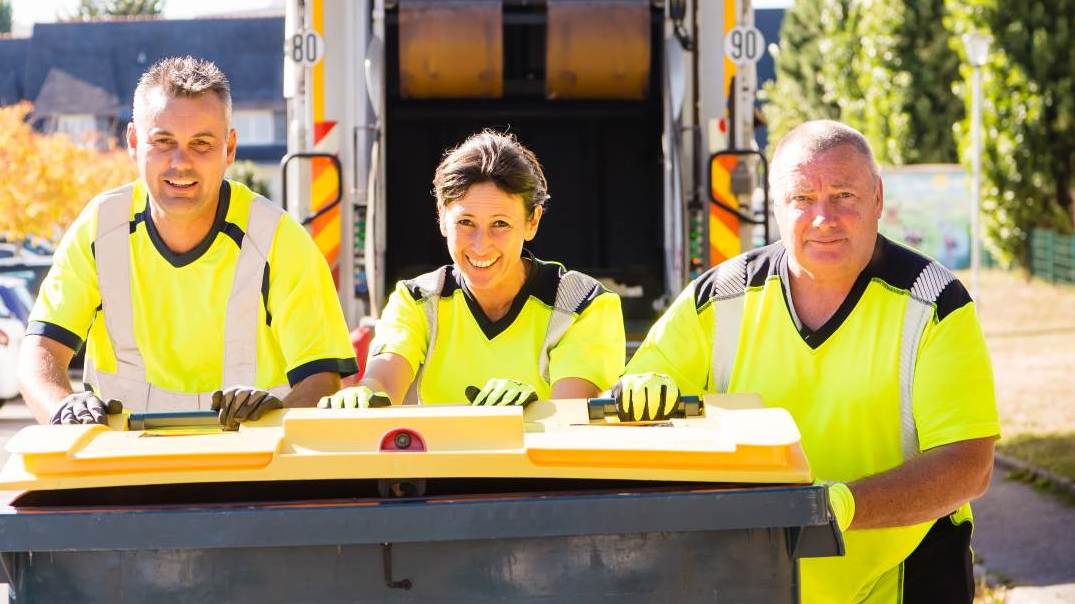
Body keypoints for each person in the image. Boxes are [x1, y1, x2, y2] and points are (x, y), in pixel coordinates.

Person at [616, 120, 999, 602]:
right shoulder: (718, 298)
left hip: (902, 576)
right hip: (752, 579)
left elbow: (969, 465)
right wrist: (639, 387)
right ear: (774, 206)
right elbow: (634, 397)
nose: (824, 218)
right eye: (802, 198)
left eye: (843, 195)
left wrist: (841, 505)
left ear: (877, 199)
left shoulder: (934, 303)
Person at [19, 56, 357, 430]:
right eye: (163, 141)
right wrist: (61, 409)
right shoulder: (100, 228)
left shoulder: (279, 239)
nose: (180, 162)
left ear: (229, 149)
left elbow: (322, 381)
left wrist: (275, 418)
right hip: (123, 470)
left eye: (201, 143)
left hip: (250, 471)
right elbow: (40, 351)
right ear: (133, 142)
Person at [319, 130, 624, 408]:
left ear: (533, 222)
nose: (481, 245)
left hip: (540, 470)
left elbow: (571, 421)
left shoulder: (583, 305)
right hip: (440, 469)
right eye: (466, 222)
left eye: (500, 224)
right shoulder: (416, 300)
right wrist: (364, 393)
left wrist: (532, 413)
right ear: (441, 217)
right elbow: (382, 381)